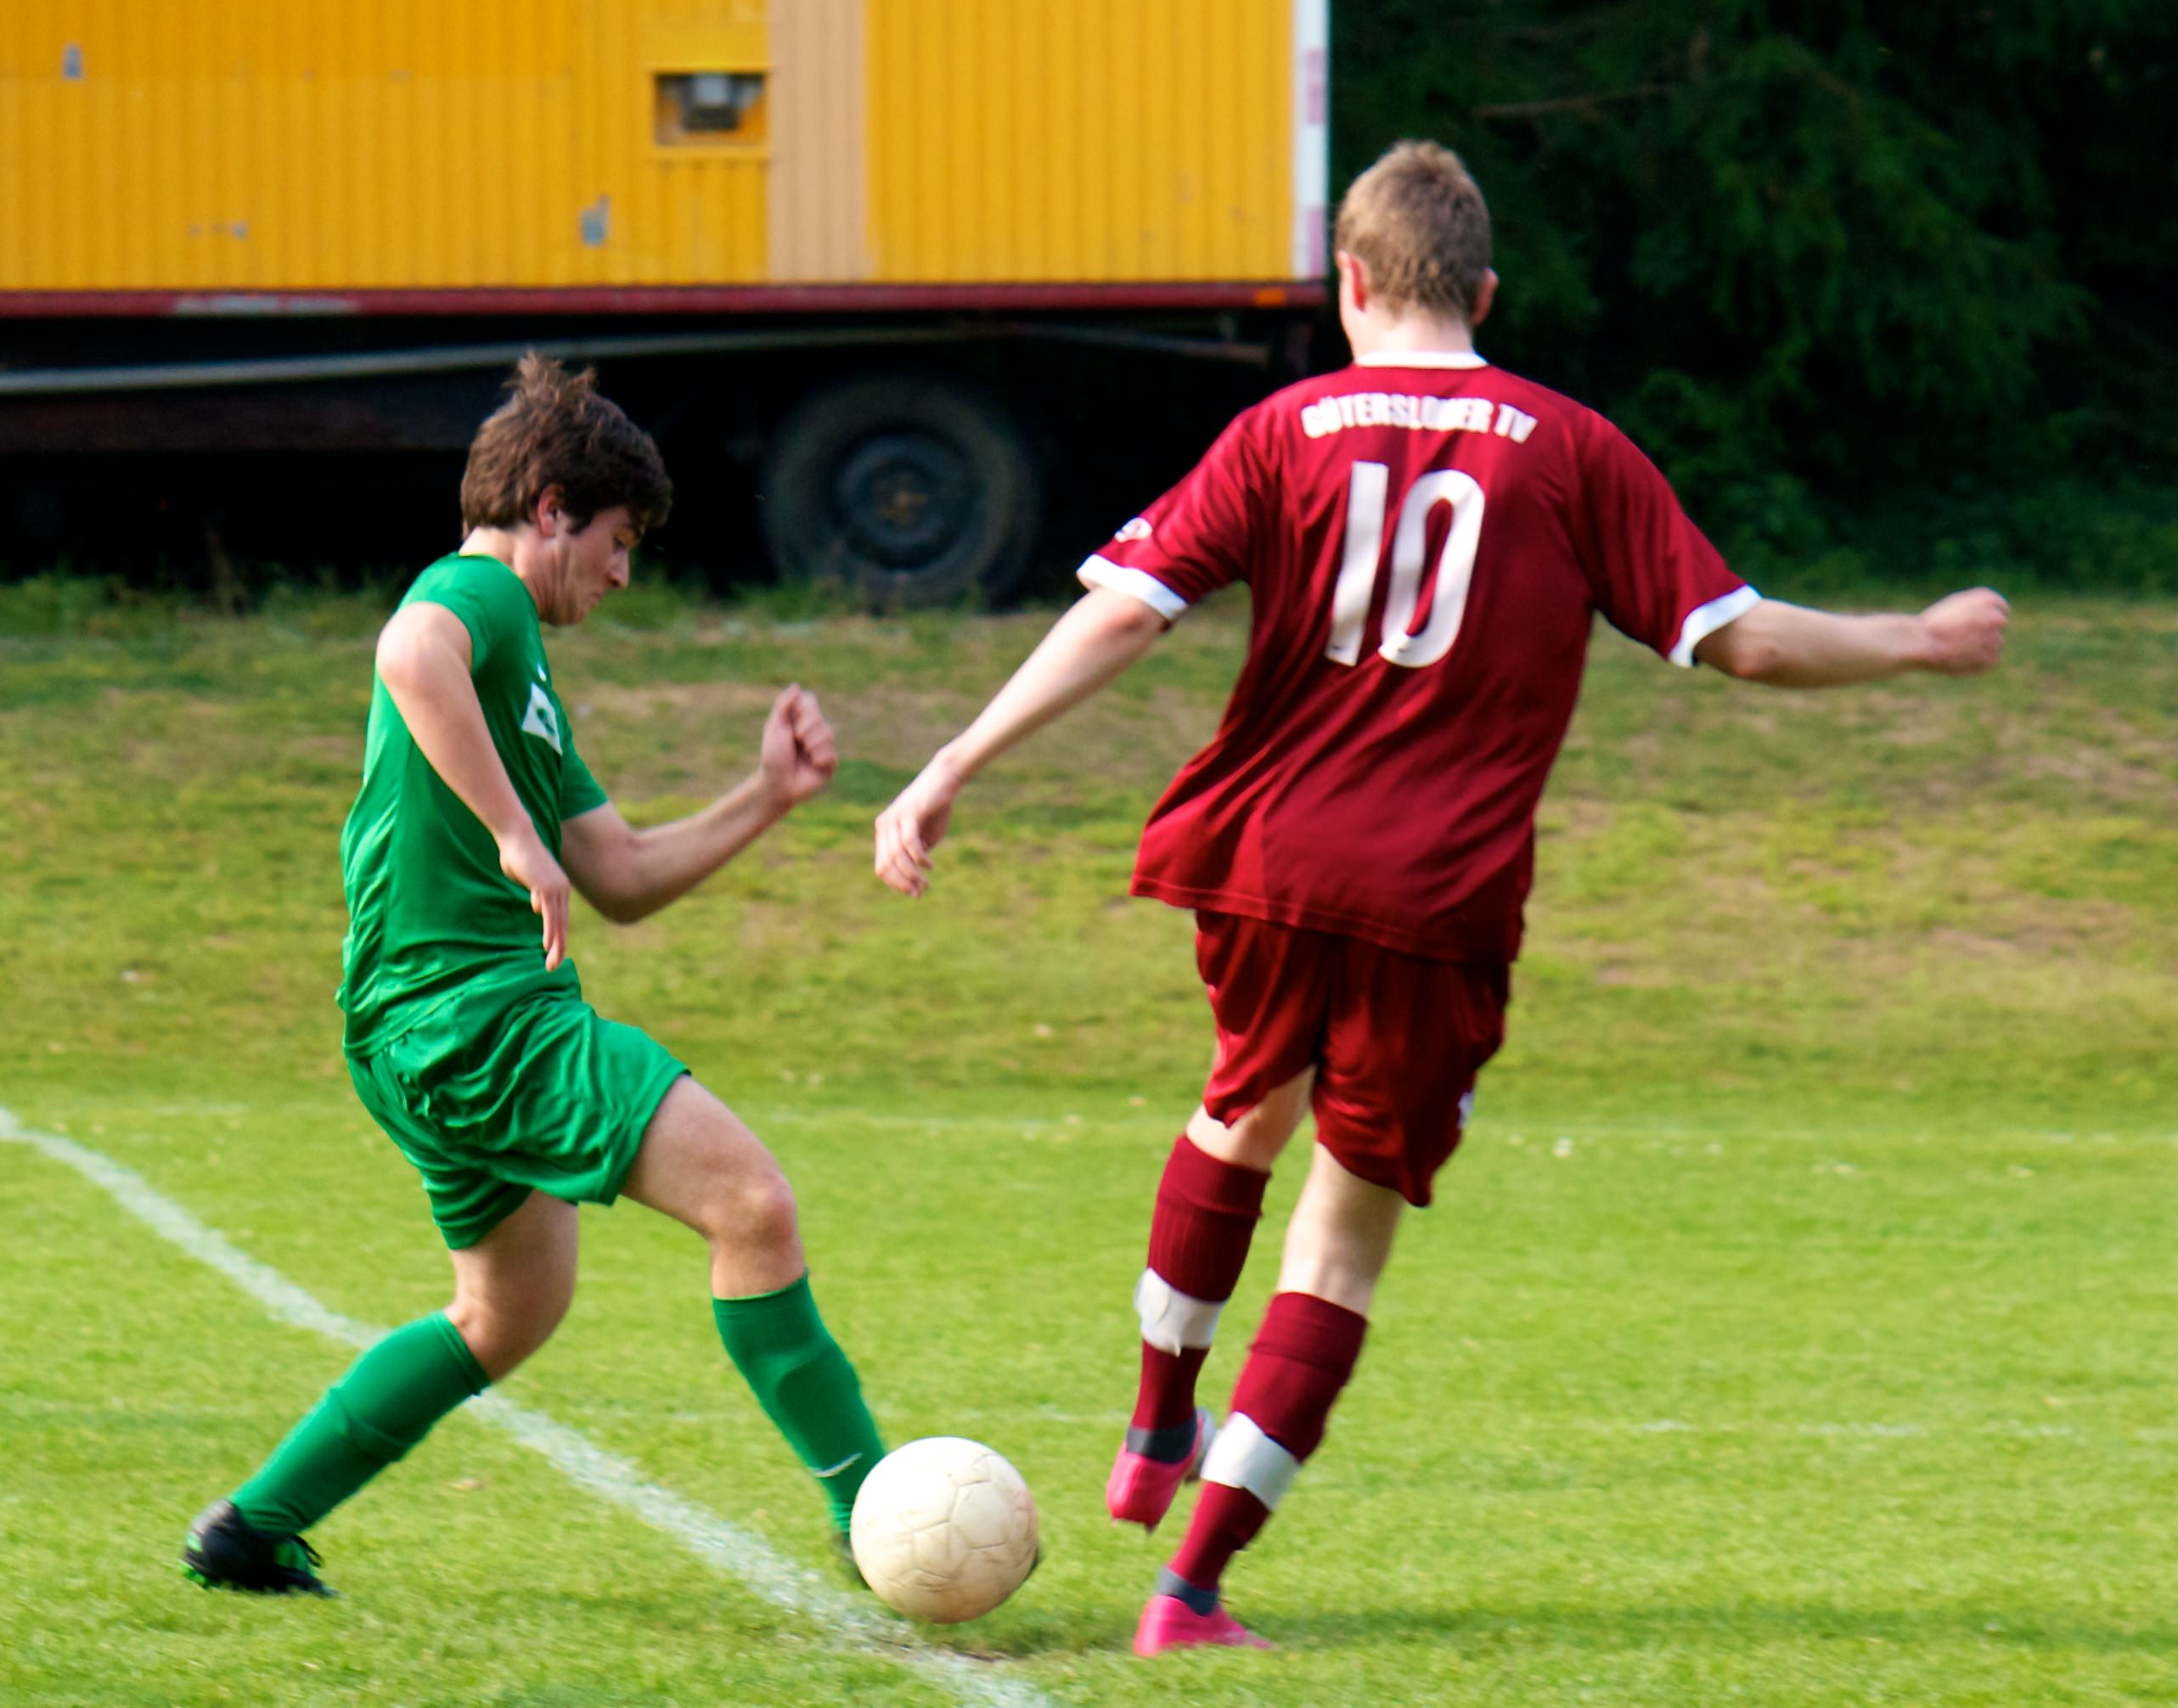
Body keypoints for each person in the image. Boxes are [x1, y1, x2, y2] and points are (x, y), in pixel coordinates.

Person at [871, 140, 2010, 1655]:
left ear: (1349, 282)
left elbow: (1126, 613)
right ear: (1485, 291)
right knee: (1340, 1237)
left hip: (1268, 860)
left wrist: (953, 758)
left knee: (1237, 1111)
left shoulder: (1280, 429)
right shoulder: (1571, 448)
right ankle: (1189, 1592)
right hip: (1437, 895)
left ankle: (1155, 1418)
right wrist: (1918, 640)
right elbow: (1739, 641)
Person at [184, 357, 885, 1595]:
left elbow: (620, 872)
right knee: (751, 1203)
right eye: (620, 542)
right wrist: (513, 833)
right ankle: (878, 1516)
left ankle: (251, 1530)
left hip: (423, 1027)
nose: (623, 574)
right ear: (552, 509)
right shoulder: (481, 596)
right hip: (475, 1014)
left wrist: (767, 796)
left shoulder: (524, 678)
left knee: (510, 1311)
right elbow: (410, 651)